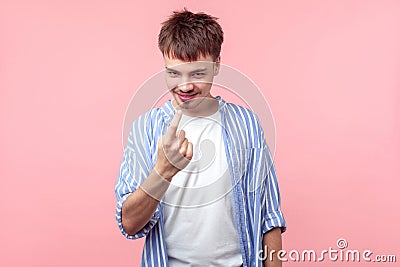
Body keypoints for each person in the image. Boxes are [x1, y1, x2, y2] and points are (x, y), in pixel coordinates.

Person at [115, 9, 286, 267]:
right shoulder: (145, 129)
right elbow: (129, 224)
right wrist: (162, 172)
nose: (184, 87)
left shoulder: (247, 124)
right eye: (174, 73)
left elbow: (269, 217)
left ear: (217, 64)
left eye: (197, 73)